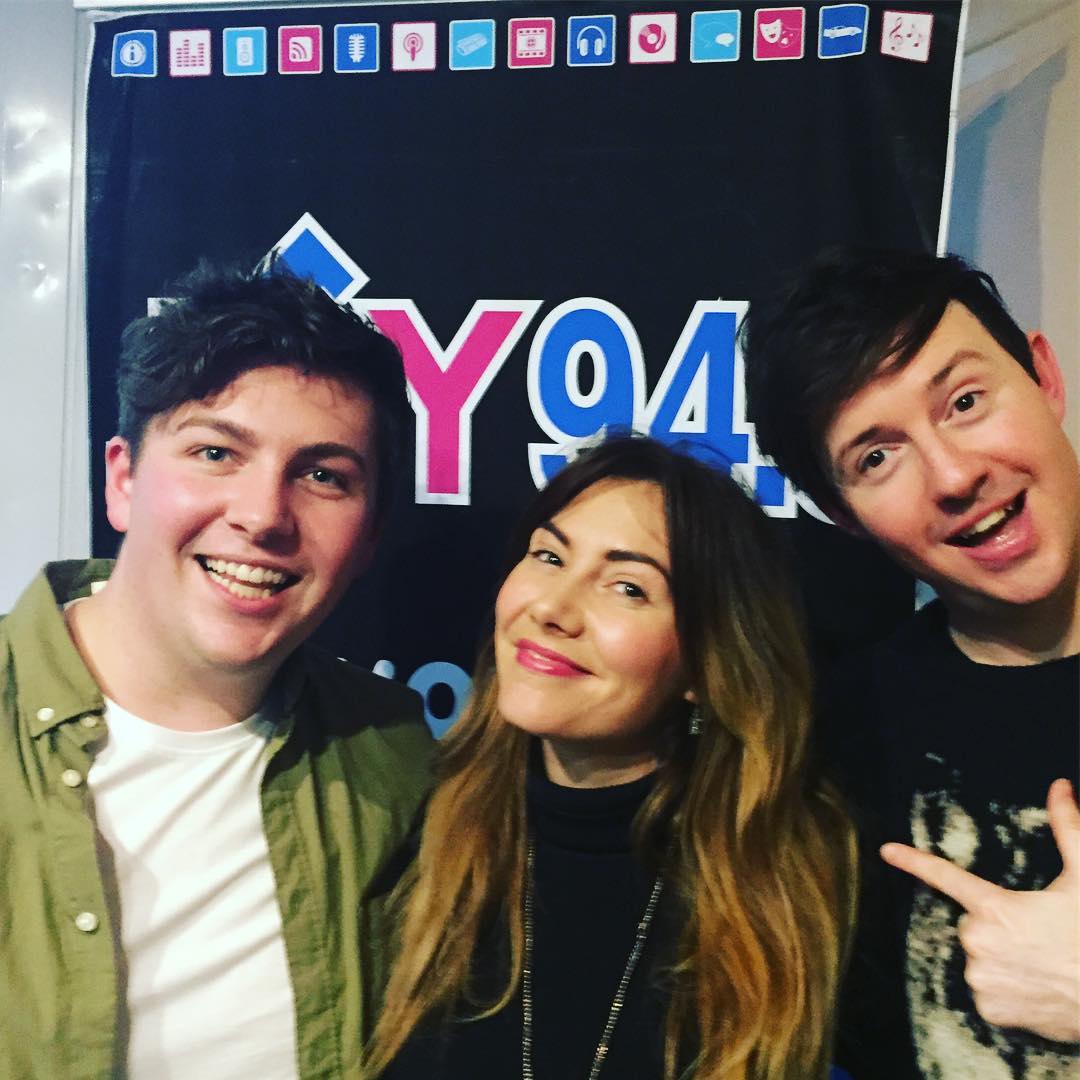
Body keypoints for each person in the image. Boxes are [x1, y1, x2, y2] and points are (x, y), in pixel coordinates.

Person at [0, 264, 433, 1079]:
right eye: (215, 452)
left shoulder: (393, 755)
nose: (263, 515)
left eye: (323, 476)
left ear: (369, 536)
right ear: (123, 479)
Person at [363, 435, 857, 1080]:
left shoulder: (797, 887)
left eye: (627, 587)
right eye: (549, 556)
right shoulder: (421, 833)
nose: (551, 609)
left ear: (705, 664)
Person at [741, 247, 1080, 1079]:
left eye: (965, 401)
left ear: (1044, 377)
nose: (955, 476)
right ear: (841, 514)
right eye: (876, 457)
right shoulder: (840, 744)